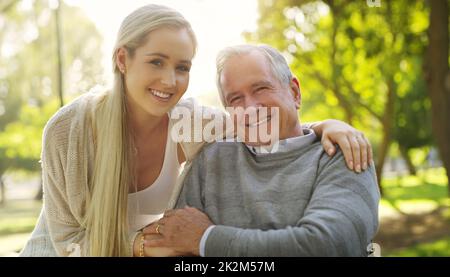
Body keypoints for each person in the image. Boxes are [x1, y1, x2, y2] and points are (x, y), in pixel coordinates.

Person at [20, 5, 372, 257]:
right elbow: (66, 242)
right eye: (156, 61)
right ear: (123, 60)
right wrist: (139, 245)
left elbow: (268, 125)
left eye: (182, 67)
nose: (169, 81)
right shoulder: (69, 130)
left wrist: (326, 126)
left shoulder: (195, 125)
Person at [141, 45, 380, 257]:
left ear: (294, 92)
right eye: (235, 99)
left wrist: (206, 239)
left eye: (261, 88)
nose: (250, 108)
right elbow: (176, 245)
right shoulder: (210, 160)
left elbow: (327, 246)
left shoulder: (342, 154)